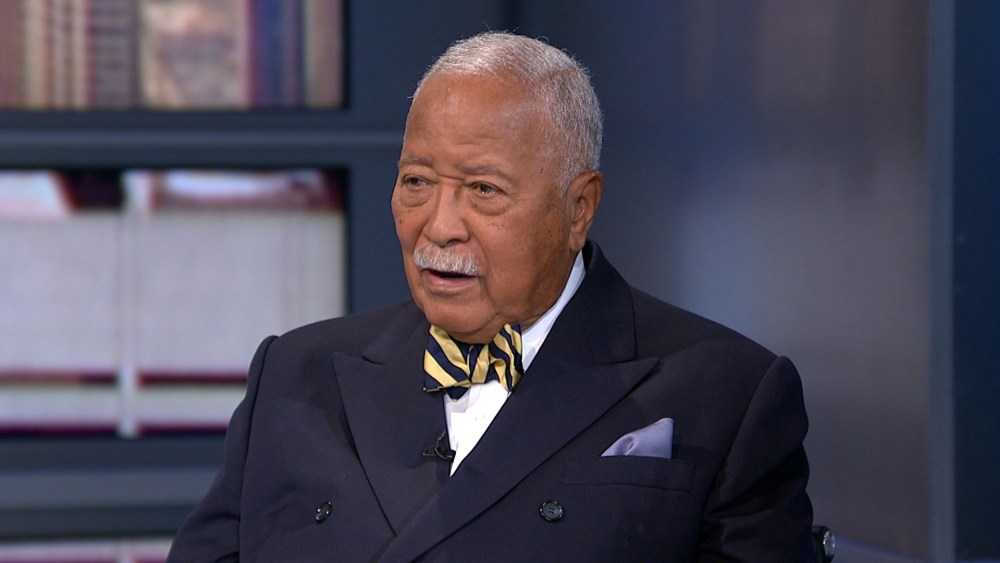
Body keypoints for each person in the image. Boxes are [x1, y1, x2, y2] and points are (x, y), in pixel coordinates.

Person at [167, 31, 814, 561]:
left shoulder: (725, 392)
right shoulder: (294, 375)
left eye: (483, 190)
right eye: (417, 181)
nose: (439, 225)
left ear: (578, 208)